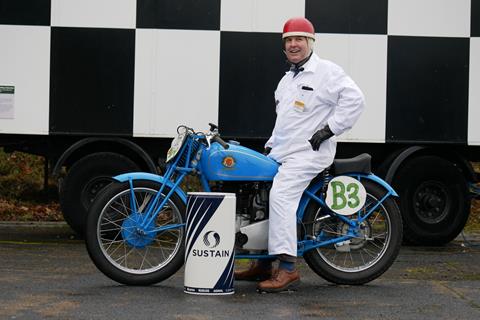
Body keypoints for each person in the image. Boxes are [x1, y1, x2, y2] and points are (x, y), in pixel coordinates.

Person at [235, 17, 365, 292]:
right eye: (288, 40)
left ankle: (288, 268)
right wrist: (270, 145)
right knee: (260, 194)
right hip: (284, 152)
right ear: (284, 47)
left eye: (299, 39)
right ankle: (263, 263)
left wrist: (329, 129)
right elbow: (285, 121)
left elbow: (356, 99)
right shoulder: (285, 81)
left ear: (310, 42)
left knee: (281, 195)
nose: (293, 44)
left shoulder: (327, 71)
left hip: (309, 153)